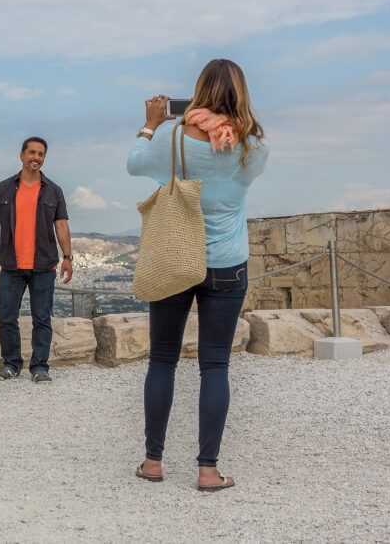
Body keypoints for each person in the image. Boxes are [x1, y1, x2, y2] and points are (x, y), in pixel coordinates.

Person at [127, 59, 268, 491]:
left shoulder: (172, 137)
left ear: (200, 89)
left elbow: (135, 165)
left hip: (174, 257)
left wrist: (150, 125)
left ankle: (153, 461)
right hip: (227, 261)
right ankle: (208, 470)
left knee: (163, 361)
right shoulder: (253, 144)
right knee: (215, 366)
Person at [0, 136, 73, 383]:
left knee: (42, 318)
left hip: (44, 265)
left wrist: (68, 257)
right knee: (6, 317)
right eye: (31, 153)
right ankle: (11, 364)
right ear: (21, 155)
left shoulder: (54, 190)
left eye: (40, 154)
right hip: (11, 265)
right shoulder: (4, 188)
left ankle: (40, 367)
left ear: (44, 158)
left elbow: (61, 225)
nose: (36, 158)